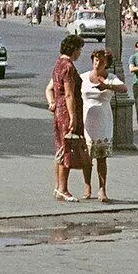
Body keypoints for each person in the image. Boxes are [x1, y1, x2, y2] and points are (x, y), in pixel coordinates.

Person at [80, 49, 126, 202]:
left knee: (101, 157)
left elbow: (124, 89)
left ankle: (102, 189)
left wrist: (107, 86)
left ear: (107, 64)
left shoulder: (111, 78)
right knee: (86, 157)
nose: (97, 62)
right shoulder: (84, 77)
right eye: (95, 59)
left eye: (100, 60)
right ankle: (87, 186)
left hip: (103, 120)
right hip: (86, 119)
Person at [48, 34, 87, 202]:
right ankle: (64, 189)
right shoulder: (69, 67)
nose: (80, 53)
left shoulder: (58, 64)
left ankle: (57, 187)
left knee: (60, 148)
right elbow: (70, 94)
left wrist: (52, 103)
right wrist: (73, 117)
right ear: (74, 50)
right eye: (79, 50)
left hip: (58, 111)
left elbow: (50, 88)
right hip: (67, 111)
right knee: (67, 149)